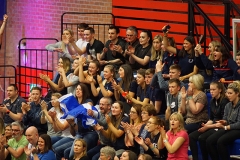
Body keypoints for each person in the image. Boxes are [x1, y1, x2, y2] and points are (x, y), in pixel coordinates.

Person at [189, 81, 229, 160]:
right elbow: (211, 118)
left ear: (220, 90)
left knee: (202, 138)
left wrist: (207, 127)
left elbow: (223, 120)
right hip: (212, 124)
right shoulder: (212, 101)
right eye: (210, 90)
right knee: (192, 136)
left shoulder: (224, 101)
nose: (211, 92)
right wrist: (205, 125)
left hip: (220, 126)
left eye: (214, 89)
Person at [206, 81, 240, 160]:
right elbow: (225, 119)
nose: (228, 95)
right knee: (209, 141)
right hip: (228, 127)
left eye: (230, 93)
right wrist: (223, 122)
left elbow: (239, 124)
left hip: (237, 129)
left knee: (221, 141)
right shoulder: (228, 105)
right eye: (227, 93)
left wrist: (226, 127)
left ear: (237, 93)